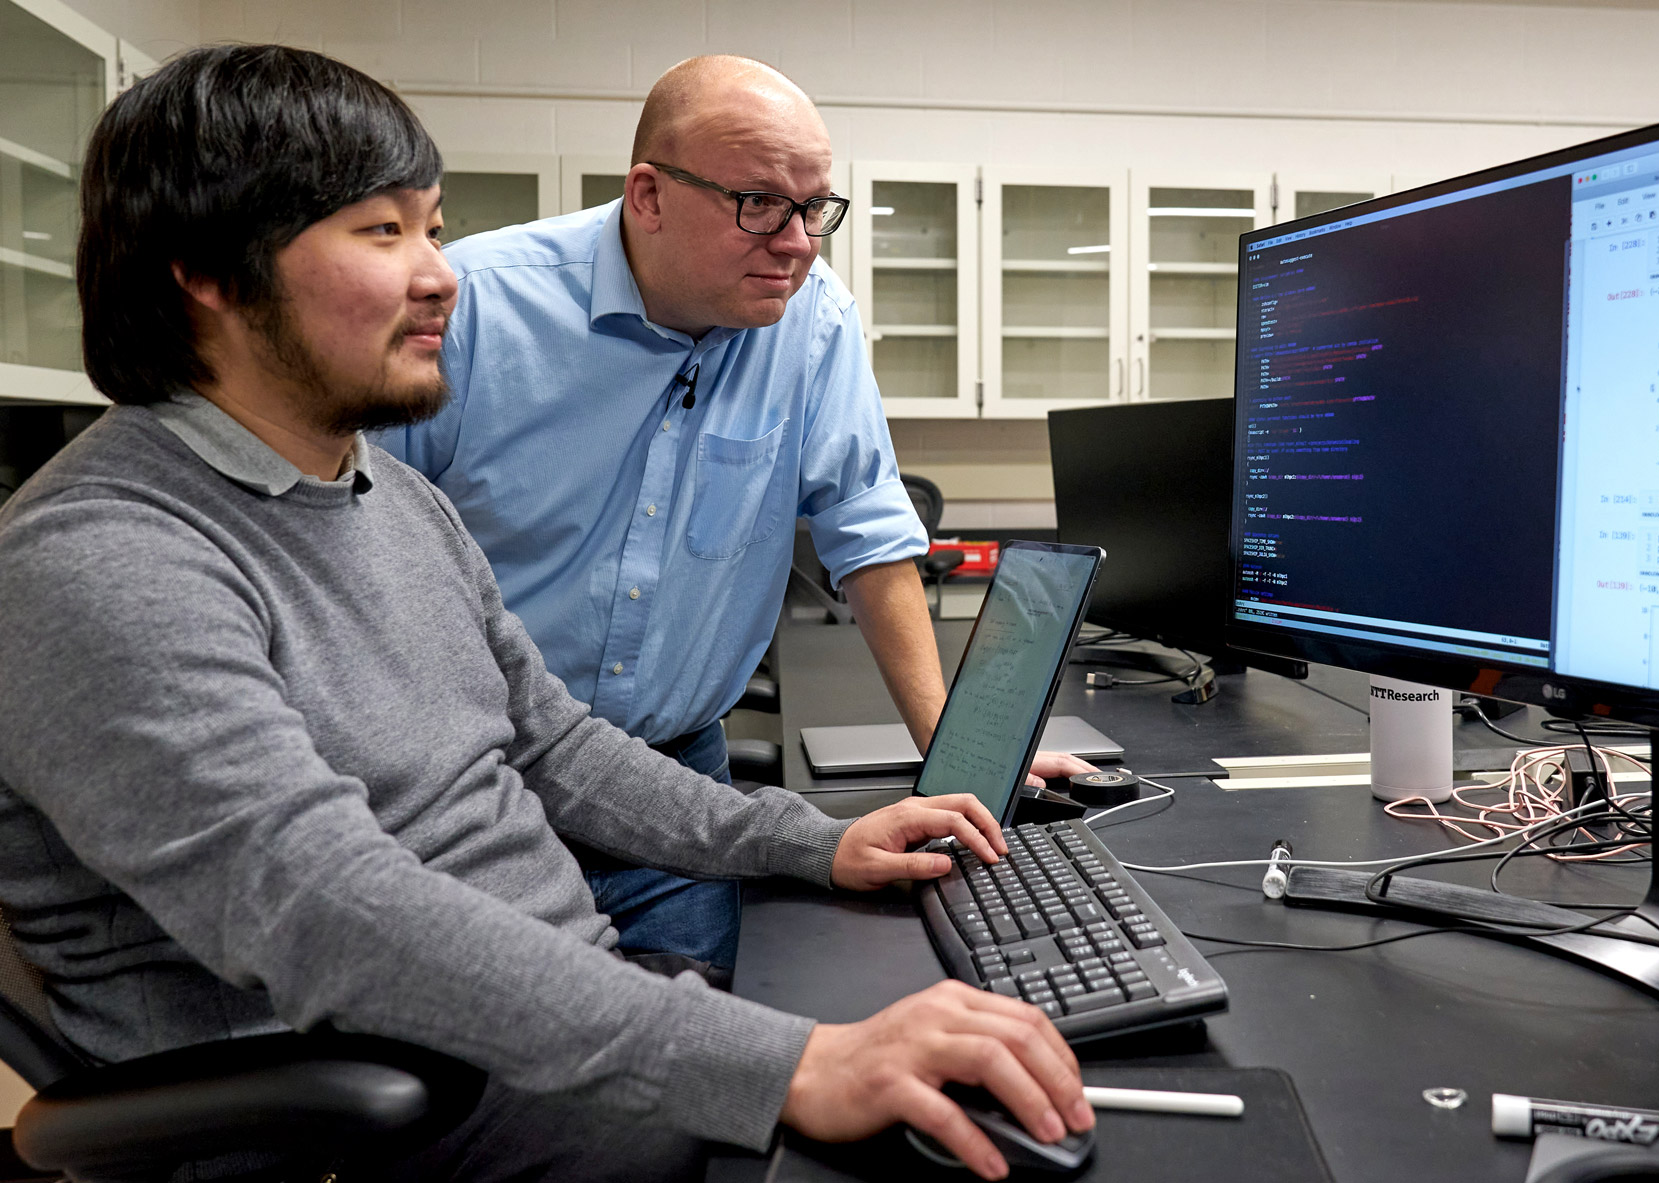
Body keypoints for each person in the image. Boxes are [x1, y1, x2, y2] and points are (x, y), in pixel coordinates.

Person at [0, 45, 1088, 1182]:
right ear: (208, 274)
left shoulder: (384, 492)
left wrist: (812, 843)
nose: (441, 276)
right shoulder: (104, 558)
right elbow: (318, 907)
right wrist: (783, 1063)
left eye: (432, 227)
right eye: (383, 233)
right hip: (371, 1107)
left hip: (528, 1027)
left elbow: (550, 741)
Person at [374, 55, 1091, 970]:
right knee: (507, 1069)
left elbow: (866, 534)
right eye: (759, 204)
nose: (796, 242)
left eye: (815, 209)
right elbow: (372, 550)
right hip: (482, 783)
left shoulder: (814, 321)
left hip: (681, 783)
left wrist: (960, 757)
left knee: (691, 1041)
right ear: (649, 195)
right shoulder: (474, 310)